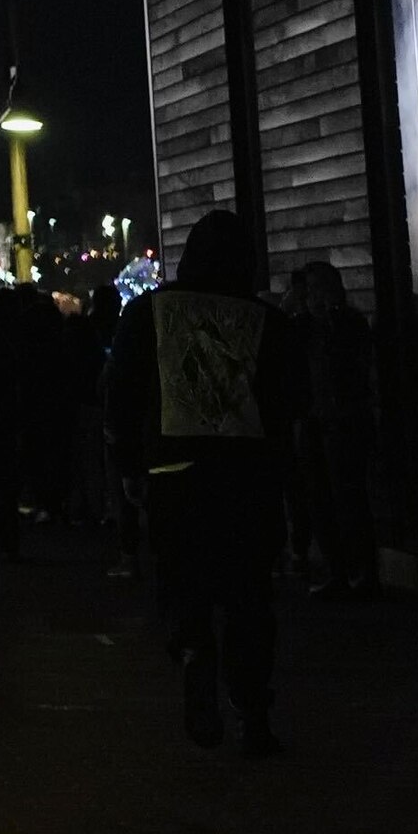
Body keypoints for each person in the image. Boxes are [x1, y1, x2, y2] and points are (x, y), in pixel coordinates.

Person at [104, 206, 287, 754]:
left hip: (174, 472)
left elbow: (121, 395)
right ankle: (252, 708)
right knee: (250, 594)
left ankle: (193, 653)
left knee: (184, 581)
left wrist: (131, 469)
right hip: (247, 478)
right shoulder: (264, 320)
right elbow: (284, 403)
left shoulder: (148, 313)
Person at [282, 260, 382, 597]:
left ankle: (360, 571)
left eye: (318, 289)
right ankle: (337, 569)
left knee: (348, 496)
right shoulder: (302, 327)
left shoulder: (347, 323)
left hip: (344, 419)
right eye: (308, 290)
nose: (312, 297)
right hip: (313, 421)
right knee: (319, 498)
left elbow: (355, 367)